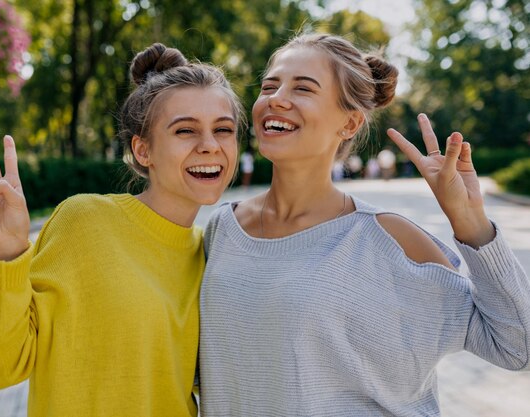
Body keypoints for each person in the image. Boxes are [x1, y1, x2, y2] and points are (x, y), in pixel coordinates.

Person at [199, 33, 530, 416]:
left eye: (303, 88)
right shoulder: (223, 227)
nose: (276, 98)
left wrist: (471, 222)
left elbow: (518, 346)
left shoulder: (385, 239)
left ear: (351, 122)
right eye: (269, 85)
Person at [0, 43, 244, 417]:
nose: (210, 146)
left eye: (223, 129)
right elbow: (0, 369)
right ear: (143, 151)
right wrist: (9, 250)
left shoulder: (214, 253)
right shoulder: (83, 221)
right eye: (185, 130)